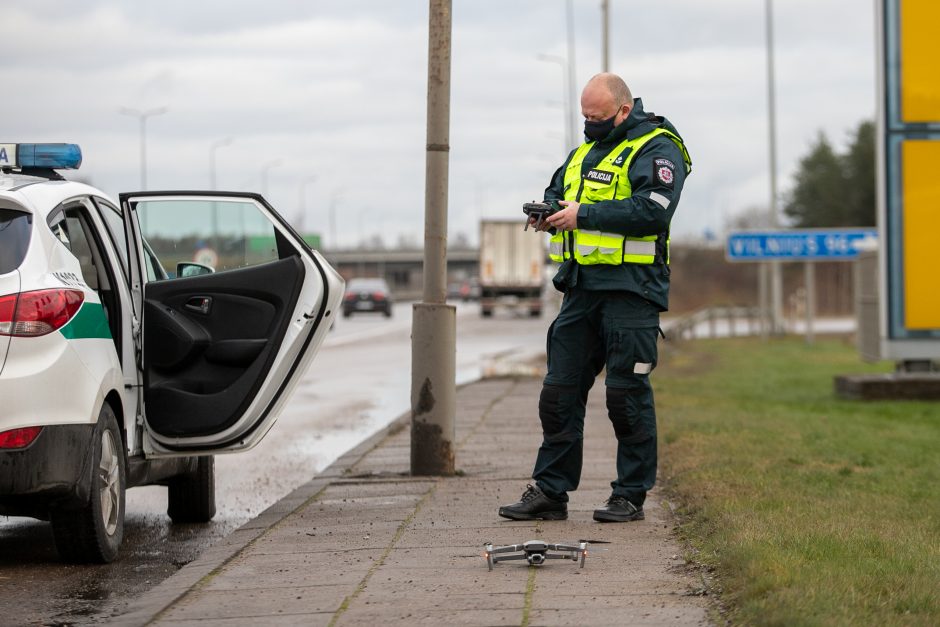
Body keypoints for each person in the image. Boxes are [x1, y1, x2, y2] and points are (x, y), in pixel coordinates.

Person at [498, 73, 691, 523]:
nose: (590, 125)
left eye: (598, 117)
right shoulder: (582, 153)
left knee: (625, 396)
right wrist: (548, 212)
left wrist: (583, 214)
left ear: (623, 110)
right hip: (581, 291)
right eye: (584, 117)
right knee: (558, 394)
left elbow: (652, 211)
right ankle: (549, 491)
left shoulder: (658, 148)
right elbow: (557, 191)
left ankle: (629, 495)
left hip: (632, 291)